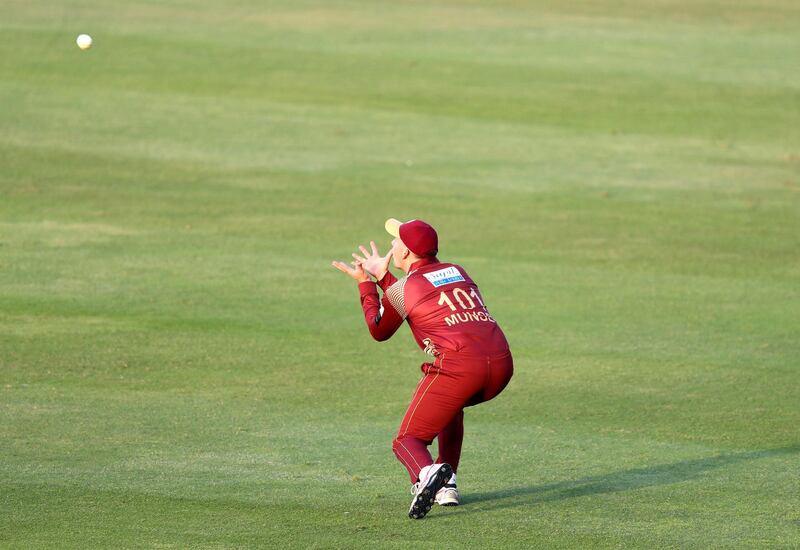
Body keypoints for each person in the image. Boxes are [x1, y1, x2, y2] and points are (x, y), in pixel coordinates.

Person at [332, 218, 513, 519]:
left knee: (407, 440)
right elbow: (417, 296)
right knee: (449, 408)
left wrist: (366, 284)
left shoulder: (402, 288)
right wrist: (383, 277)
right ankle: (446, 485)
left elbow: (380, 329)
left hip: (461, 369)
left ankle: (426, 474)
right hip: (502, 365)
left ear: (405, 254)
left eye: (395, 242)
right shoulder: (457, 271)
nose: (391, 245)